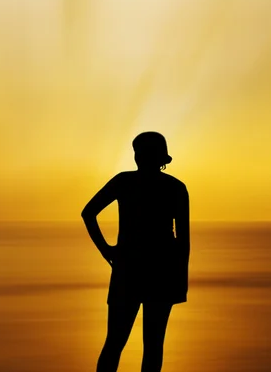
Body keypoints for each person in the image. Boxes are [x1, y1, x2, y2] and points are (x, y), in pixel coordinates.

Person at [81, 131, 190, 372]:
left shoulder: (124, 182)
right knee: (152, 345)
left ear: (138, 156)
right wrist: (180, 281)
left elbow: (88, 213)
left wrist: (106, 251)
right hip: (162, 272)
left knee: (115, 342)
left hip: (128, 269)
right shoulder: (176, 188)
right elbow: (184, 243)